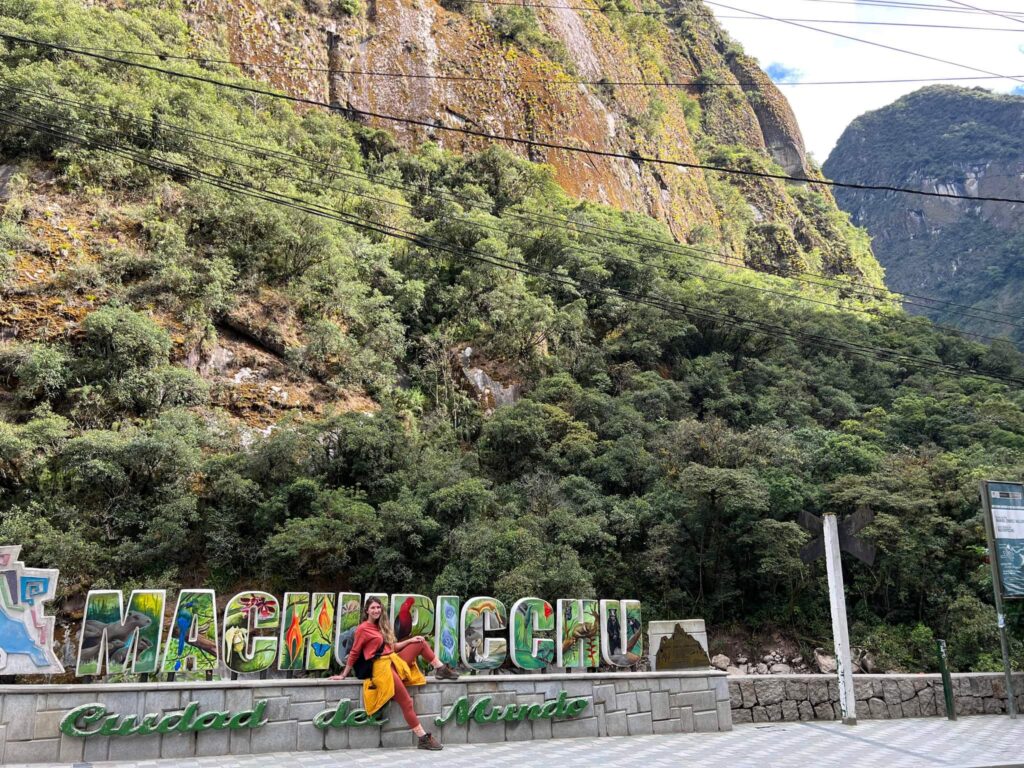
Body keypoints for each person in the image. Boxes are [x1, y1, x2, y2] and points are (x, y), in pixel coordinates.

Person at [330, 597, 460, 750]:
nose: (376, 610)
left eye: (378, 607)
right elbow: (354, 652)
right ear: (366, 611)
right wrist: (343, 674)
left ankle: (440, 669)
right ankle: (423, 737)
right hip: (381, 668)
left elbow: (393, 647)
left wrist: (410, 641)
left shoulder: (381, 626)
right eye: (372, 608)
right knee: (407, 702)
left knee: (419, 642)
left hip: (392, 660)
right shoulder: (363, 629)